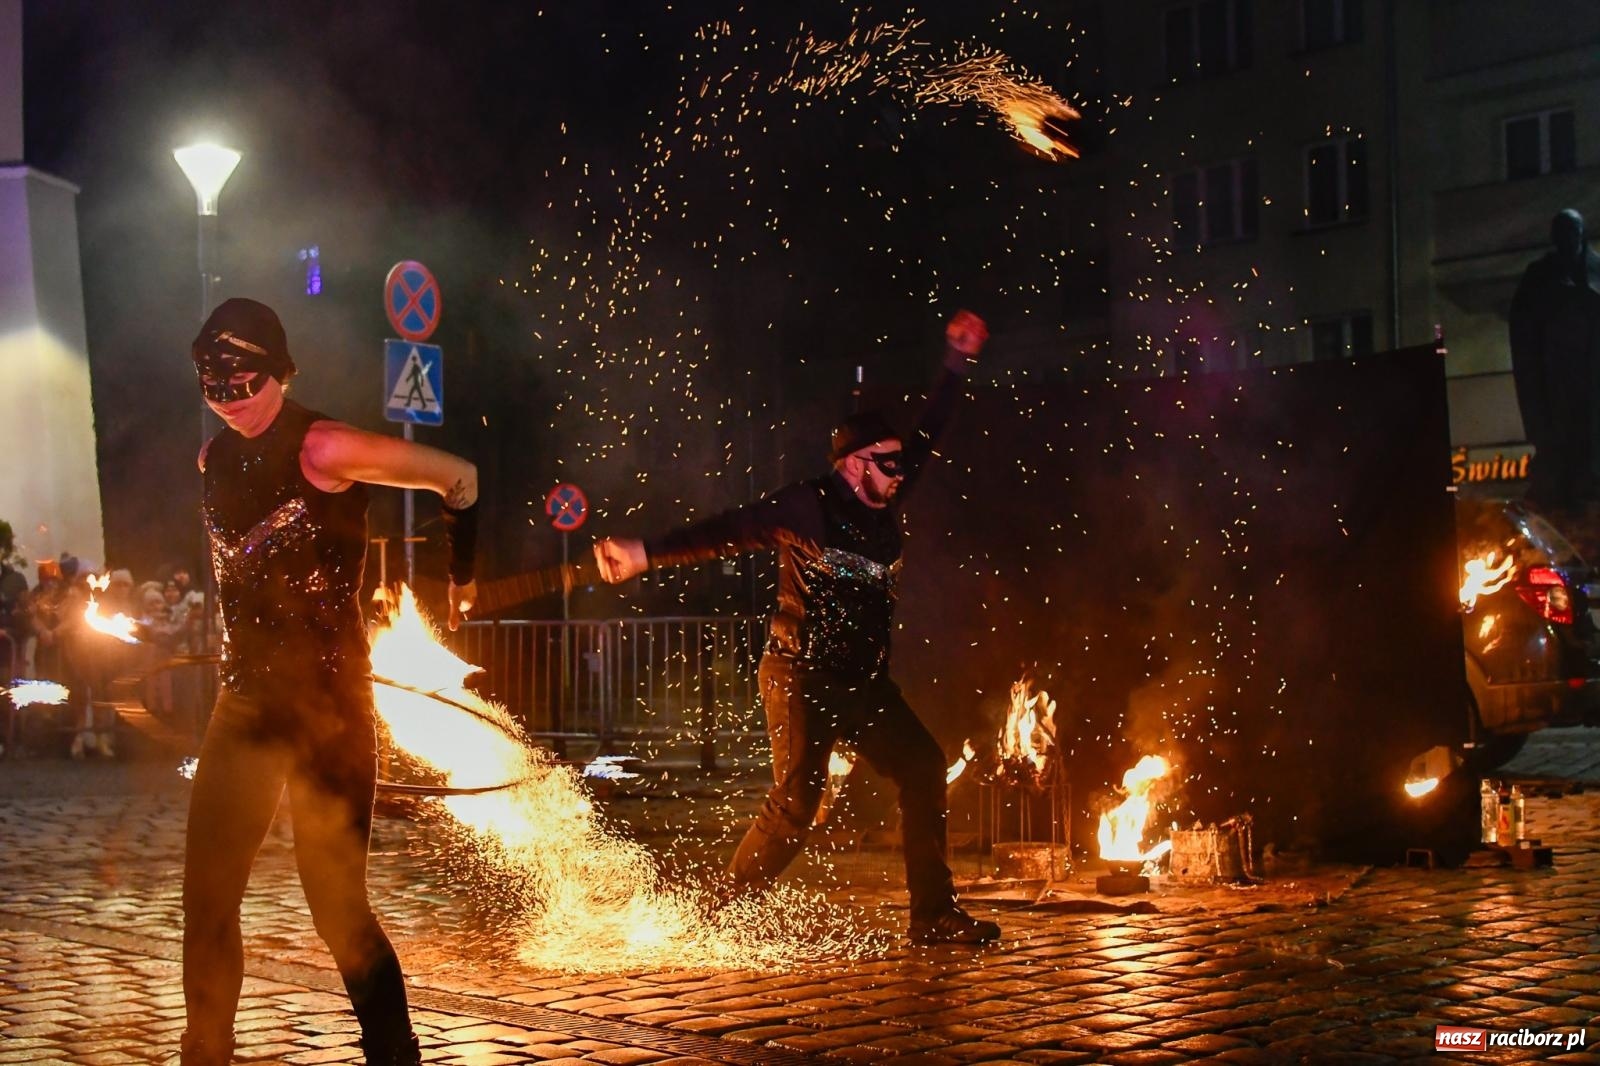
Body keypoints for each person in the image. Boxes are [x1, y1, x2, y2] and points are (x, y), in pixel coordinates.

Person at [594, 310, 1000, 945]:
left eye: (900, 466)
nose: (900, 475)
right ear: (853, 464)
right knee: (794, 810)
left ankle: (931, 916)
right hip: (801, 675)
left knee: (923, 766)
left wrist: (956, 361)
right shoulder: (806, 505)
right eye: (887, 466)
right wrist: (646, 552)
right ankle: (714, 918)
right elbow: (729, 529)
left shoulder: (888, 491)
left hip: (864, 680)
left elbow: (932, 429)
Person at [179, 298, 480, 1066]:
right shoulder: (212, 459)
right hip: (245, 703)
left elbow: (458, 476)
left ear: (278, 372)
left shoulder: (324, 446)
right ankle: (204, 1054)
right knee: (207, 899)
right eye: (213, 388)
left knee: (338, 908)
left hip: (331, 711)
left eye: (243, 384)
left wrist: (462, 575)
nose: (230, 401)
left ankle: (394, 1057)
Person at [1509, 208, 1600, 510]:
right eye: (1560, 233)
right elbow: (1522, 323)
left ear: (1580, 234)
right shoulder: (1539, 275)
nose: (1566, 239)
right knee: (1557, 434)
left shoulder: (1596, 269)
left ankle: (1583, 487)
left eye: (1571, 232)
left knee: (1587, 433)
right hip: (1552, 372)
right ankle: (1563, 488)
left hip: (1590, 372)